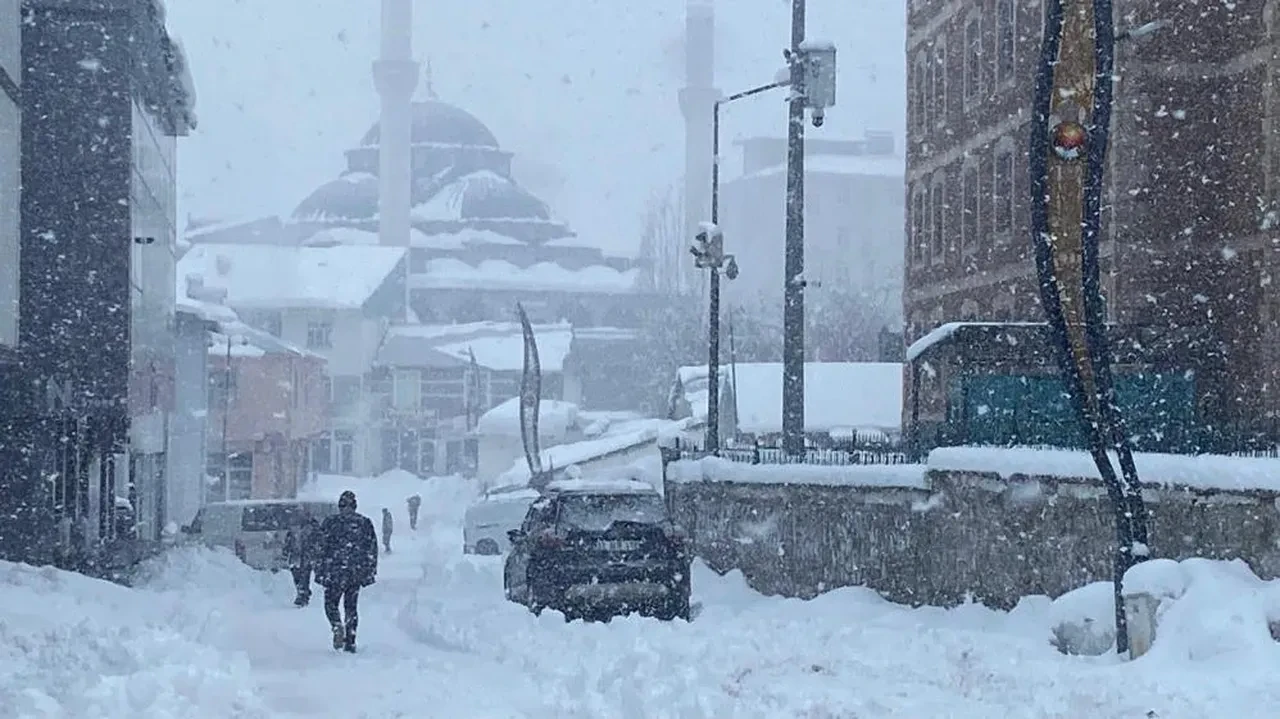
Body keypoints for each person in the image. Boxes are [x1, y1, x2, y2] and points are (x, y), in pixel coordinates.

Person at [315, 491, 377, 653]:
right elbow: (371, 548)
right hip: (355, 572)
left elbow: (320, 547)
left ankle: (336, 625)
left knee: (330, 604)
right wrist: (369, 572)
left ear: (340, 506)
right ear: (355, 506)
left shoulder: (330, 523)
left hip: (334, 571)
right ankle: (350, 641)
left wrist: (320, 570)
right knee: (351, 607)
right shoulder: (364, 523)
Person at [284, 507, 321, 607]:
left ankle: (302, 595)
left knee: (305, 575)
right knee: (296, 575)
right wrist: (286, 550)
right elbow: (289, 539)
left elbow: (318, 539)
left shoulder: (314, 526)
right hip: (295, 555)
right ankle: (302, 592)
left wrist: (314, 550)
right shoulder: (294, 526)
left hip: (306, 555)